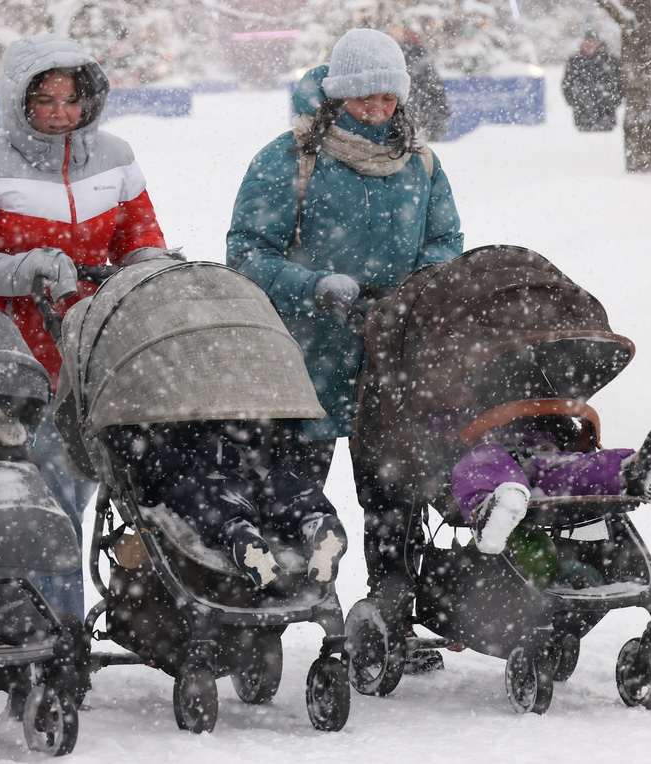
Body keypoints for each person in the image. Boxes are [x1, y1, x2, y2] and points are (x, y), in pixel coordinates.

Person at [227, 27, 463, 671]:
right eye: (365, 99)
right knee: (290, 501)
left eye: (389, 98)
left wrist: (413, 293)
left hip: (389, 359)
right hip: (301, 358)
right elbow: (247, 255)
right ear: (337, 98)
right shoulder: (289, 158)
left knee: (394, 500)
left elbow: (446, 246)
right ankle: (266, 627)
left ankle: (390, 619)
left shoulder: (423, 165)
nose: (378, 109)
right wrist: (315, 287)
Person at [0, 33, 171, 618]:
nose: (62, 114)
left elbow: (138, 236)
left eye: (72, 100)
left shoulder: (114, 156)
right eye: (47, 102)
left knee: (87, 490)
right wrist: (22, 269)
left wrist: (152, 270)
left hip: (94, 349)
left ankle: (77, 620)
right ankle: (52, 630)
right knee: (46, 495)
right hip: (17, 349)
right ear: (20, 101)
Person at [110, 422, 349, 588]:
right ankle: (314, 519)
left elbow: (147, 460)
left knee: (212, 497)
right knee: (282, 483)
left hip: (193, 461)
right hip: (241, 443)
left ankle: (238, 532)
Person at [455, 414, 651, 554]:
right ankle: (487, 512)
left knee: (576, 467)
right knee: (485, 467)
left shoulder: (522, 391)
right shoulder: (454, 402)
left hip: (535, 457)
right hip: (483, 453)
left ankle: (631, 472)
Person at [562, 31, 624, 132]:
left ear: (598, 44)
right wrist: (576, 102)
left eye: (592, 42)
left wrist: (612, 101)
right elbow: (567, 85)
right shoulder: (575, 62)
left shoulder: (610, 61)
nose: (589, 46)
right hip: (582, 115)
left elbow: (619, 84)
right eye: (587, 42)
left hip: (606, 114)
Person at [397, 29, 449, 142]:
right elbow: (437, 94)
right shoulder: (424, 61)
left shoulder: (398, 59)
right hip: (423, 116)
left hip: (406, 117)